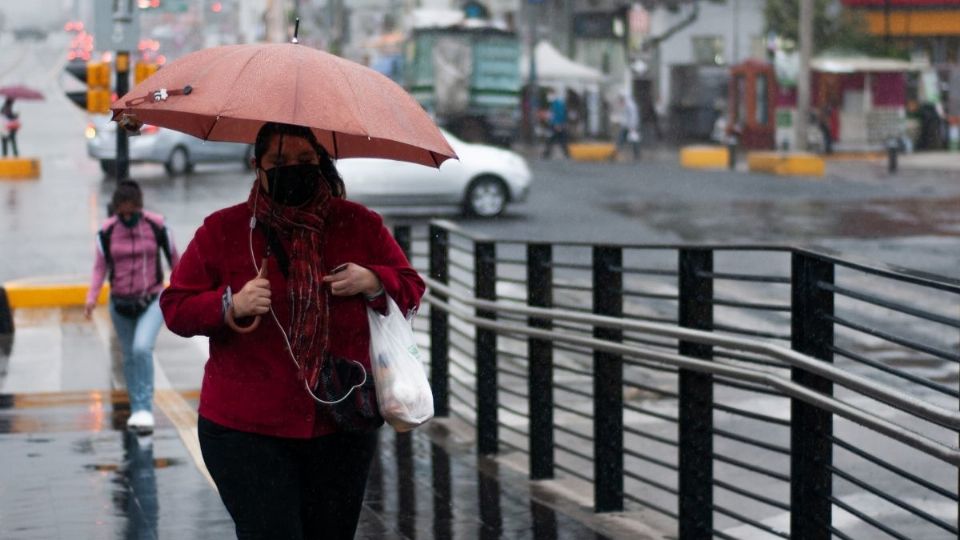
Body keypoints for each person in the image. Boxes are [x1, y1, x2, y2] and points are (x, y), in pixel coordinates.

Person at [159, 122, 425, 540]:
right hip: (245, 429)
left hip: (340, 423)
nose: (294, 170)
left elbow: (411, 288)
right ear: (257, 167)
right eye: (279, 162)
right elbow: (175, 307)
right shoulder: (224, 230)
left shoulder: (358, 224)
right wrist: (230, 305)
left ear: (321, 162)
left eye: (304, 160)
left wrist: (372, 279)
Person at [85, 180, 181, 433]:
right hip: (120, 304)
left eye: (132, 212)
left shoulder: (157, 225)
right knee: (128, 357)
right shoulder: (106, 232)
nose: (127, 217)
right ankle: (136, 406)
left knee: (141, 349)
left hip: (151, 299)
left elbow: (175, 260)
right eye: (122, 213)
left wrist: (185, 290)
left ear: (139, 207)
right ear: (115, 210)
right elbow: (99, 268)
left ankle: (144, 409)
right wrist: (91, 298)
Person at [542, 90, 570, 159]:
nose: (548, 97)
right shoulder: (554, 104)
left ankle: (547, 153)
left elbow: (560, 114)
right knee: (555, 140)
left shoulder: (558, 104)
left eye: (550, 95)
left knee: (554, 139)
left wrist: (558, 124)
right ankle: (547, 153)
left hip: (556, 125)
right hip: (554, 125)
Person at [614, 93, 641, 160]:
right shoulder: (627, 105)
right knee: (626, 139)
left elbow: (633, 116)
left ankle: (636, 154)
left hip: (630, 126)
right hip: (627, 126)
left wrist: (632, 126)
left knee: (630, 139)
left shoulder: (630, 105)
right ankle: (617, 152)